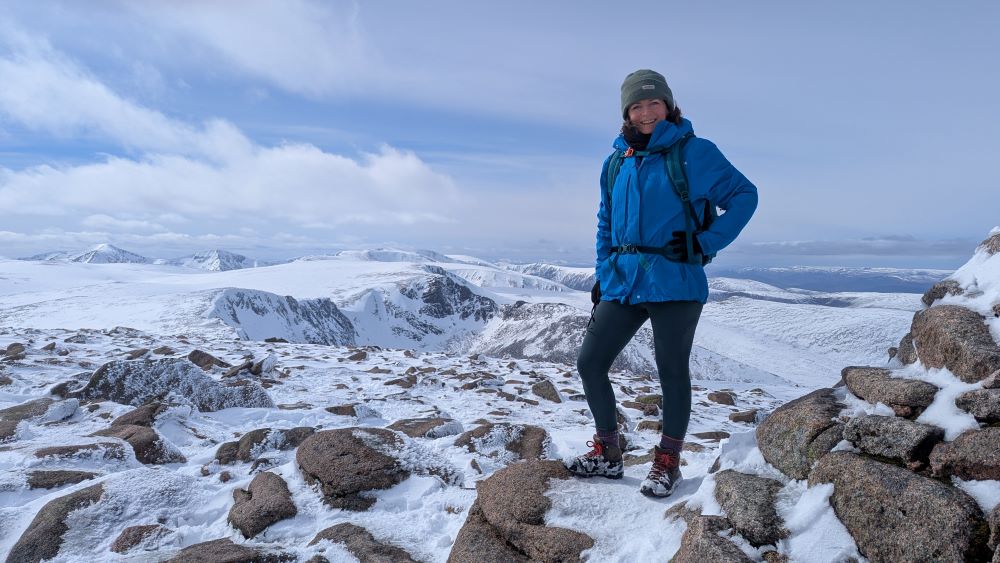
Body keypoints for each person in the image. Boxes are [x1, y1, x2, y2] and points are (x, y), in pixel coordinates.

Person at [565, 69, 758, 497]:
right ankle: (608, 452)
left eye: (654, 103)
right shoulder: (616, 161)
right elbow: (605, 222)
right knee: (590, 363)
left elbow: (746, 196)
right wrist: (603, 273)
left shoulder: (696, 153)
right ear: (627, 113)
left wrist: (705, 242)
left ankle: (666, 462)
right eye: (637, 105)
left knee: (671, 372)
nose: (647, 112)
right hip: (624, 282)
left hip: (676, 281)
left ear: (669, 106)